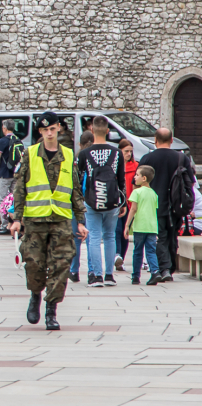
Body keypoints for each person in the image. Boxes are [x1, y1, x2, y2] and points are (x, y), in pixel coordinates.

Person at [9, 111, 89, 331]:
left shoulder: (69, 155)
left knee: (61, 265)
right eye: (45, 130)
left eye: (52, 129)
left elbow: (75, 189)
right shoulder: (30, 153)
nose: (49, 133)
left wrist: (80, 220)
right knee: (34, 263)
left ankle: (51, 310)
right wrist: (17, 218)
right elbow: (20, 187)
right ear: (40, 132)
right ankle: (35, 294)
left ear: (58, 129)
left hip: (61, 221)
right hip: (35, 220)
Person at [77, 116, 126, 287]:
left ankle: (96, 276)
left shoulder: (84, 154)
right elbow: (121, 180)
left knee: (95, 237)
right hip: (112, 200)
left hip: (91, 200)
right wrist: (123, 203)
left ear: (91, 130)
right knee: (110, 236)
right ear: (107, 131)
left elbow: (78, 179)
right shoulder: (117, 153)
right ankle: (109, 275)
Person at [139, 128, 193, 282]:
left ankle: (164, 269)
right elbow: (191, 181)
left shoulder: (147, 159)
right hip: (176, 204)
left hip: (154, 204)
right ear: (171, 140)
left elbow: (137, 182)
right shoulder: (181, 158)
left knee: (160, 236)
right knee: (172, 235)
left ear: (155, 140)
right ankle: (169, 267)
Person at [124, 165, 160, 285]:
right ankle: (155, 271)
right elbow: (154, 210)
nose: (135, 177)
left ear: (143, 178)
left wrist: (127, 225)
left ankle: (135, 276)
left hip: (140, 226)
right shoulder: (154, 194)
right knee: (151, 251)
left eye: (137, 175)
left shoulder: (136, 192)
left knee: (138, 251)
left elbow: (133, 209)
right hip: (152, 227)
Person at [0, 119, 22, 235]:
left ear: (4, 128)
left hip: (4, 174)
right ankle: (13, 222)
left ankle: (4, 225)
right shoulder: (18, 140)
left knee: (2, 199)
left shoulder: (2, 141)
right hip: (15, 173)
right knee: (14, 199)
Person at [115, 139, 138, 270]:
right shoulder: (115, 165)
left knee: (125, 232)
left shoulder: (135, 166)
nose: (128, 154)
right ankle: (117, 255)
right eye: (126, 151)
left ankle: (121, 259)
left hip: (130, 204)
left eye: (130, 151)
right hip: (118, 204)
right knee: (117, 230)